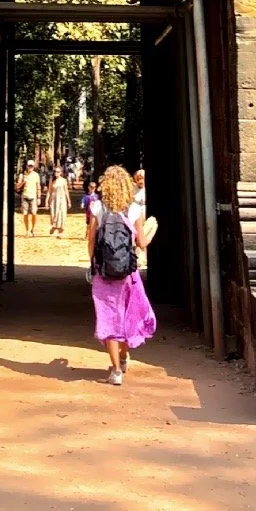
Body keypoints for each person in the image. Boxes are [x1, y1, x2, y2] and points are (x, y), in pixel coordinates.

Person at [86, 164, 157, 385]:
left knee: (108, 319)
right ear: (128, 185)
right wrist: (152, 227)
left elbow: (90, 240)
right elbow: (142, 243)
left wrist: (93, 265)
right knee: (127, 316)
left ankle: (116, 370)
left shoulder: (98, 207)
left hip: (104, 273)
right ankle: (124, 356)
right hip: (128, 274)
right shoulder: (134, 209)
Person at [17, 159, 41, 238]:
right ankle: (27, 231)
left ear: (34, 167)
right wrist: (23, 181)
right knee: (25, 214)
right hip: (25, 196)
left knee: (34, 213)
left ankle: (32, 229)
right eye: (29, 166)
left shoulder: (36, 175)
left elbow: (38, 186)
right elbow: (17, 187)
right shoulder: (22, 175)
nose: (30, 167)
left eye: (32, 166)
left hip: (33, 197)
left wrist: (39, 197)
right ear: (26, 166)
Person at [48, 164, 71, 236]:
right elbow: (49, 191)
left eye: (58, 172)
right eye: (55, 171)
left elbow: (66, 191)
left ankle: (60, 231)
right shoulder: (52, 180)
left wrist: (69, 201)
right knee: (54, 214)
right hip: (54, 200)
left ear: (61, 172)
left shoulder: (64, 180)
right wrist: (47, 200)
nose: (56, 173)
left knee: (61, 214)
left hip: (62, 200)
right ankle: (54, 227)